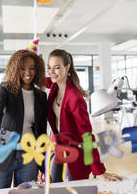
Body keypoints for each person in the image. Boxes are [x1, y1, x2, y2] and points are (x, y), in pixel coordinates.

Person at [46, 49, 122, 182]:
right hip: (59, 147)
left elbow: (86, 136)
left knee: (76, 188)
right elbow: (41, 79)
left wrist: (99, 171)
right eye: (49, 68)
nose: (51, 72)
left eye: (56, 68)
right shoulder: (55, 85)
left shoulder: (74, 98)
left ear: (67, 67)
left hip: (76, 152)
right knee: (54, 187)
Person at [0, 49, 47, 190]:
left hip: (29, 152)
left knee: (26, 193)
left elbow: (42, 128)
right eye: (23, 68)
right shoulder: (6, 88)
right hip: (4, 147)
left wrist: (42, 160)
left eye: (32, 68)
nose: (28, 73)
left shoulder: (41, 96)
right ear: (15, 68)